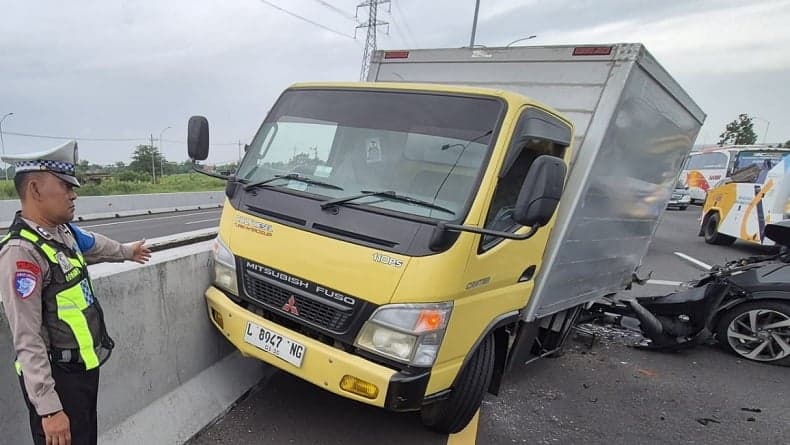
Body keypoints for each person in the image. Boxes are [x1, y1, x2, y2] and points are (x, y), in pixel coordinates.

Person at [0, 140, 152, 445]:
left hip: (81, 370)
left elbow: (93, 244)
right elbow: (27, 337)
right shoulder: (21, 253)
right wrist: (49, 409)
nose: (74, 194)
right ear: (35, 189)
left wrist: (127, 251)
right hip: (57, 382)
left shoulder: (62, 231)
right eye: (65, 186)